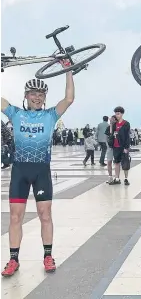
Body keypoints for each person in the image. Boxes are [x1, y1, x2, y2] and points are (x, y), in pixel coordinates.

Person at [1, 61, 75, 276]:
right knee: (15, 217)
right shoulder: (15, 113)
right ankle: (14, 259)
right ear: (26, 95)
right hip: (20, 172)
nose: (37, 97)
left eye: (41, 94)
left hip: (41, 171)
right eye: (33, 93)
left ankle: (48, 256)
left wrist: (68, 70)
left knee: (45, 215)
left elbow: (69, 98)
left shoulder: (51, 115)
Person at [108, 106, 131, 186]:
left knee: (125, 162)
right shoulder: (115, 124)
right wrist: (111, 124)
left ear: (122, 114)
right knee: (116, 162)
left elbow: (127, 136)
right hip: (115, 146)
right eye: (116, 114)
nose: (117, 115)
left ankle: (126, 178)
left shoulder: (126, 124)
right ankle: (117, 178)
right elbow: (111, 133)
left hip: (123, 146)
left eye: (118, 114)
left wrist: (126, 147)